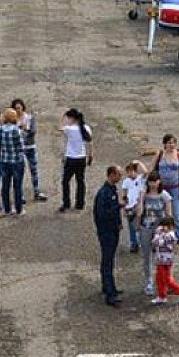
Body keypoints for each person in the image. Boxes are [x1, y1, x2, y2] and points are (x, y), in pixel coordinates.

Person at [136, 171, 172, 296]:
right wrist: (141, 197)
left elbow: (168, 215)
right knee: (146, 257)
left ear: (159, 181)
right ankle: (149, 282)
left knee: (162, 257)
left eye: (155, 181)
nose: (152, 184)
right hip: (146, 228)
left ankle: (164, 281)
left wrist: (168, 231)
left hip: (160, 231)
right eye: (150, 182)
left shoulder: (164, 196)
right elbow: (139, 212)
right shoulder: (144, 195)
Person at [93, 165, 124, 306]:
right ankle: (110, 295)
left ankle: (109, 286)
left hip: (113, 230)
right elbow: (102, 214)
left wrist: (118, 222)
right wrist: (118, 206)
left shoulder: (113, 190)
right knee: (107, 261)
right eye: (118, 174)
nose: (120, 177)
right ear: (111, 174)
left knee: (110, 259)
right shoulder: (103, 193)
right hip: (106, 232)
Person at [150, 134, 179, 243]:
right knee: (159, 211)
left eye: (173, 143)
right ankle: (160, 233)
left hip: (175, 187)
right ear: (164, 144)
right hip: (162, 188)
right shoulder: (160, 154)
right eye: (169, 143)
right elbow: (151, 169)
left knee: (176, 212)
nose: (171, 145)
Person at [10, 99, 47, 204]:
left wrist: (22, 132)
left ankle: (37, 192)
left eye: (19, 108)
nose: (18, 110)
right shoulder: (12, 119)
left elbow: (33, 131)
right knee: (19, 172)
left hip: (30, 146)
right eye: (16, 108)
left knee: (34, 170)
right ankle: (20, 195)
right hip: (19, 149)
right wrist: (24, 131)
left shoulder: (29, 117)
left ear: (23, 107)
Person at [58, 109, 92, 212]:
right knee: (80, 181)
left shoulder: (69, 129)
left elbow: (59, 127)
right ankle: (80, 203)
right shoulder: (86, 128)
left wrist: (63, 116)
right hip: (81, 158)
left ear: (72, 118)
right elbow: (90, 143)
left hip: (71, 158)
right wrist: (90, 155)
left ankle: (66, 203)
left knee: (65, 181)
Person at [151, 217, 179, 305]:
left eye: (166, 226)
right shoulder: (162, 233)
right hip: (160, 260)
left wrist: (158, 233)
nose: (164, 228)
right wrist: (158, 234)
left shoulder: (171, 235)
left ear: (171, 226)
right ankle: (162, 296)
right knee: (159, 278)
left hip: (166, 262)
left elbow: (160, 242)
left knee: (166, 279)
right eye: (162, 225)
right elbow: (153, 242)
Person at [0, 108, 26, 216]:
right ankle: (19, 209)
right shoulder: (16, 130)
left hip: (4, 160)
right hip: (17, 161)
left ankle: (6, 209)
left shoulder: (0, 129)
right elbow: (21, 147)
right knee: (17, 186)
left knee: (5, 185)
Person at [121, 160, 147, 253]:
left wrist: (139, 162)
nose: (129, 173)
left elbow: (146, 172)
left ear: (135, 171)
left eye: (131, 171)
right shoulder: (126, 181)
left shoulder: (140, 179)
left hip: (138, 205)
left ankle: (142, 242)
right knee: (131, 225)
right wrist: (123, 208)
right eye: (128, 172)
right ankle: (133, 243)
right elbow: (124, 194)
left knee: (140, 225)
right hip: (129, 206)